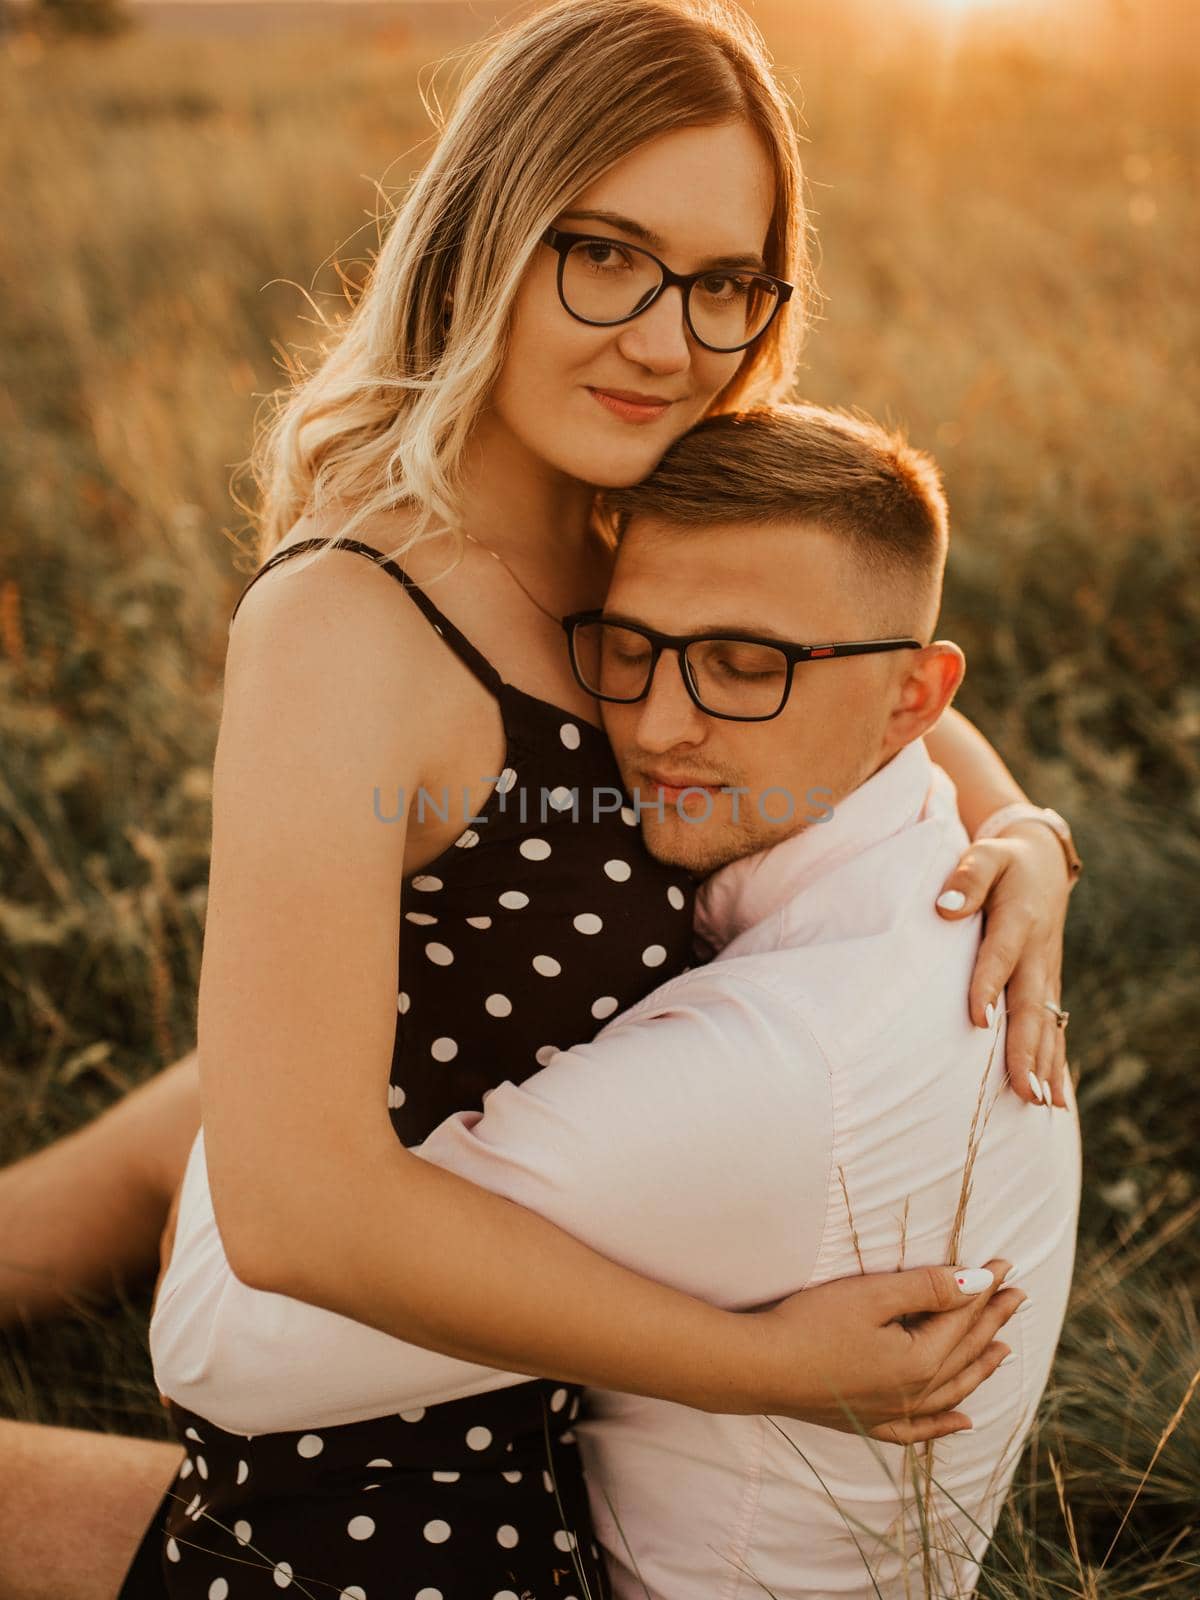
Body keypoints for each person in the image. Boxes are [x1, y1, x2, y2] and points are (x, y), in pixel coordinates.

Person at [0, 3, 1077, 1597]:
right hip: (385, 1470)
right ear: (480, 239)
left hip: (570, 1409)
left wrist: (1022, 833)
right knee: (208, 1120)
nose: (667, 339)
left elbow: (882, 695)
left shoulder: (659, 519)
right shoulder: (351, 625)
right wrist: (761, 1366)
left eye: (724, 283)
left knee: (197, 1102)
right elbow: (293, 1219)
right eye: (605, 255)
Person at [151, 402, 1081, 1599]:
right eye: (629, 649)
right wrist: (1031, 823)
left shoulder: (777, 1063)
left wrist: (331, 979)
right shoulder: (914, 865)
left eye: (746, 666)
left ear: (913, 696)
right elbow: (838, 662)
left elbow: (214, 1341)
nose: (655, 725)